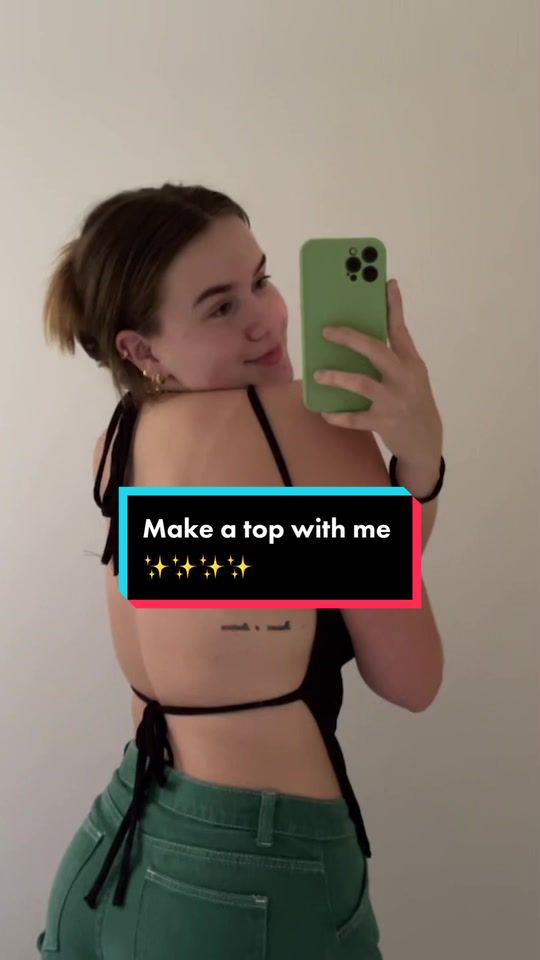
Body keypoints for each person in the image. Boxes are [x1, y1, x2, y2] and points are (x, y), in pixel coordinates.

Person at [36, 181, 444, 958]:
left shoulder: (120, 441)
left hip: (116, 849)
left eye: (261, 280)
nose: (267, 318)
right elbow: (411, 677)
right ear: (142, 349)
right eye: (221, 306)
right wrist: (419, 460)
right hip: (247, 883)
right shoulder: (311, 434)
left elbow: (288, 583)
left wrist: (392, 506)